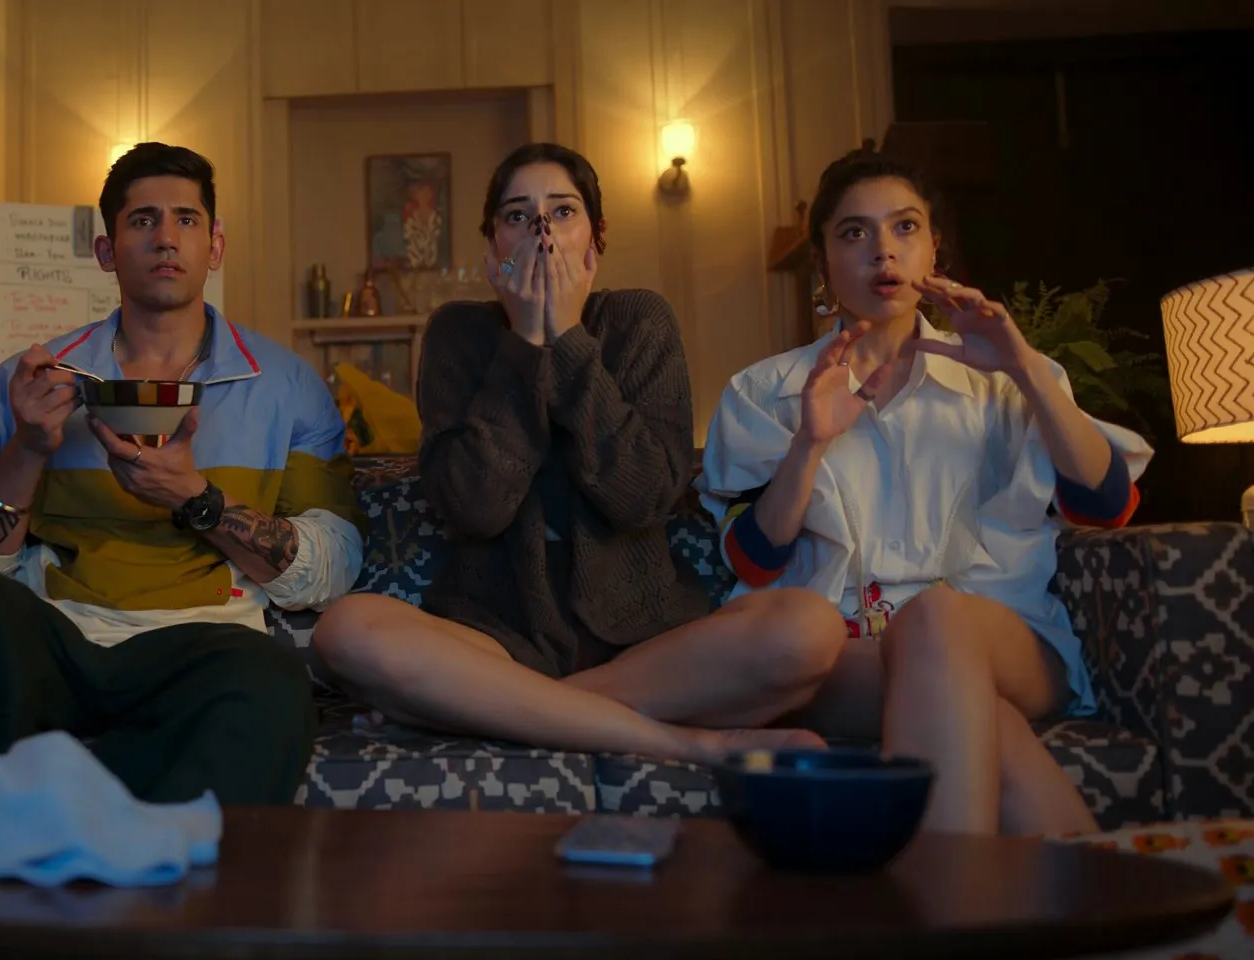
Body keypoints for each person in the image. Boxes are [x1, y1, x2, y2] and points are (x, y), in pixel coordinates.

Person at [0, 142, 366, 805]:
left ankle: (104, 829)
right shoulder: (30, 380)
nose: (165, 237)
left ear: (215, 245)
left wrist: (195, 498)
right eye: (142, 220)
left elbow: (332, 568)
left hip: (204, 643)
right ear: (107, 252)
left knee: (271, 683)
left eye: (186, 219)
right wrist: (28, 448)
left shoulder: (286, 387)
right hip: (57, 634)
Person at [310, 143, 847, 765]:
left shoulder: (639, 319)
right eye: (517, 216)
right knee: (346, 632)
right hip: (494, 639)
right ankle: (685, 742)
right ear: (494, 244)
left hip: (644, 642)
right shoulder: (458, 332)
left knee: (807, 628)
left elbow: (644, 495)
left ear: (596, 236)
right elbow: (476, 506)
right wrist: (523, 339)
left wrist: (566, 338)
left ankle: (493, 707)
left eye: (562, 212)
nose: (541, 233)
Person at [696, 147, 1151, 836]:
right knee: (966, 702)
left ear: (935, 246)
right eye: (854, 232)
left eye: (905, 227)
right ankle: (1089, 889)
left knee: (938, 621)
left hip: (1006, 638)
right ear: (822, 263)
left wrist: (1025, 369)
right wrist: (810, 442)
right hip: (846, 656)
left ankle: (940, 890)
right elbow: (752, 560)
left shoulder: (1002, 376)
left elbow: (1106, 505)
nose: (883, 250)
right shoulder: (765, 392)